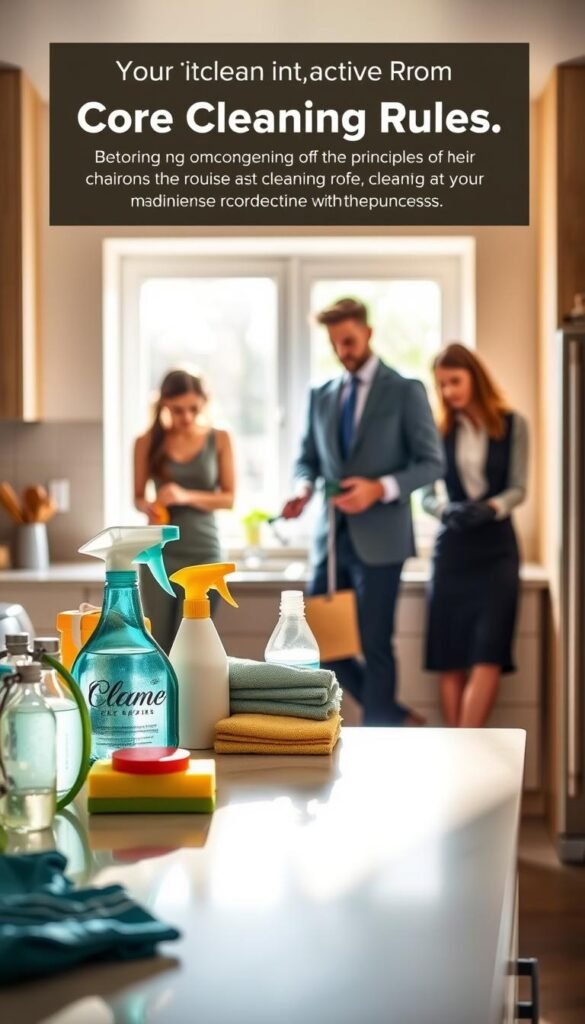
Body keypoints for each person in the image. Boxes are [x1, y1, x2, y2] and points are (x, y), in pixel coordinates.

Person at [282, 297, 445, 726]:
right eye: (336, 344)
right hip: (331, 541)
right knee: (320, 644)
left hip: (383, 539)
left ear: (368, 333)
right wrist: (301, 488)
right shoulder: (320, 395)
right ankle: (391, 714)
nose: (343, 351)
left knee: (375, 643)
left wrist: (380, 488)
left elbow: (432, 462)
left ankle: (381, 737)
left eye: (349, 341)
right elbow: (307, 460)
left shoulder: (405, 390)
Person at [422, 343, 529, 728]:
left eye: (455, 381)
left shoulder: (513, 424)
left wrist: (491, 507)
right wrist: (445, 510)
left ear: (474, 378)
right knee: (450, 657)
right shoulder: (437, 431)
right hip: (452, 550)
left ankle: (467, 746)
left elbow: (519, 488)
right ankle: (458, 750)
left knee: (488, 653)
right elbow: (424, 495)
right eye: (441, 385)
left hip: (497, 549)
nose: (449, 391)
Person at [134, 368, 235, 652]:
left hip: (204, 554)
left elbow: (228, 499)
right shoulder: (146, 442)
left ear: (204, 403)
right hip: (158, 555)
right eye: (178, 410)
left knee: (191, 647)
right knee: (158, 646)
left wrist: (184, 495)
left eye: (193, 408)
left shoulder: (220, 439)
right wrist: (150, 507)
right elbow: (138, 497)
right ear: (164, 404)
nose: (186, 417)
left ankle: (191, 699)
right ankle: (164, 698)